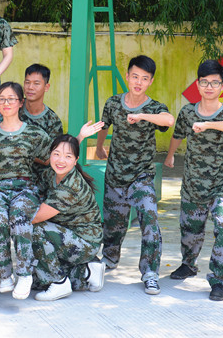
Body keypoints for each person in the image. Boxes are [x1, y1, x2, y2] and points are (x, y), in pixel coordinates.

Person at [164, 59, 223, 302]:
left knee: (222, 225)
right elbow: (178, 134)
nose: (209, 87)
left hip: (221, 184)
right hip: (193, 183)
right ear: (198, 84)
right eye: (204, 82)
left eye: (214, 83)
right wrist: (170, 155)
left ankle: (219, 280)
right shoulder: (188, 112)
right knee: (190, 229)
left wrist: (208, 124)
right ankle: (188, 264)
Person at [95, 55, 174, 296]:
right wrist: (99, 147)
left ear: (151, 81)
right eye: (135, 76)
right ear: (127, 76)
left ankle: (150, 273)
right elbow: (104, 125)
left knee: (149, 220)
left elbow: (168, 120)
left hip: (141, 178)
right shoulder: (113, 103)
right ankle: (109, 259)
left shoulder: (154, 107)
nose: (139, 82)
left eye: (145, 78)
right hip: (115, 175)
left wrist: (141, 116)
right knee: (113, 225)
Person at [0, 82, 52, 300]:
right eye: (1, 99)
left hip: (25, 188)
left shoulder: (34, 134)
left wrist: (79, 140)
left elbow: (55, 158)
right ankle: (5, 274)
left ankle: (25, 273)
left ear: (21, 103)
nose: (6, 103)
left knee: (19, 217)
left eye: (11, 99)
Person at [31, 134, 105, 301]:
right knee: (37, 280)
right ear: (50, 155)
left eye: (68, 156)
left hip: (85, 242)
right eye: (56, 154)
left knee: (35, 229)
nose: (61, 160)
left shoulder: (71, 186)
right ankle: (87, 272)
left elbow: (35, 218)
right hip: (67, 234)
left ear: (76, 160)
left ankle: (59, 283)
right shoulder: (51, 174)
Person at [20, 63, 64, 138]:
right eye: (27, 82)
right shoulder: (14, 107)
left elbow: (56, 145)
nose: (30, 87)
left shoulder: (53, 121)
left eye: (36, 83)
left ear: (46, 87)